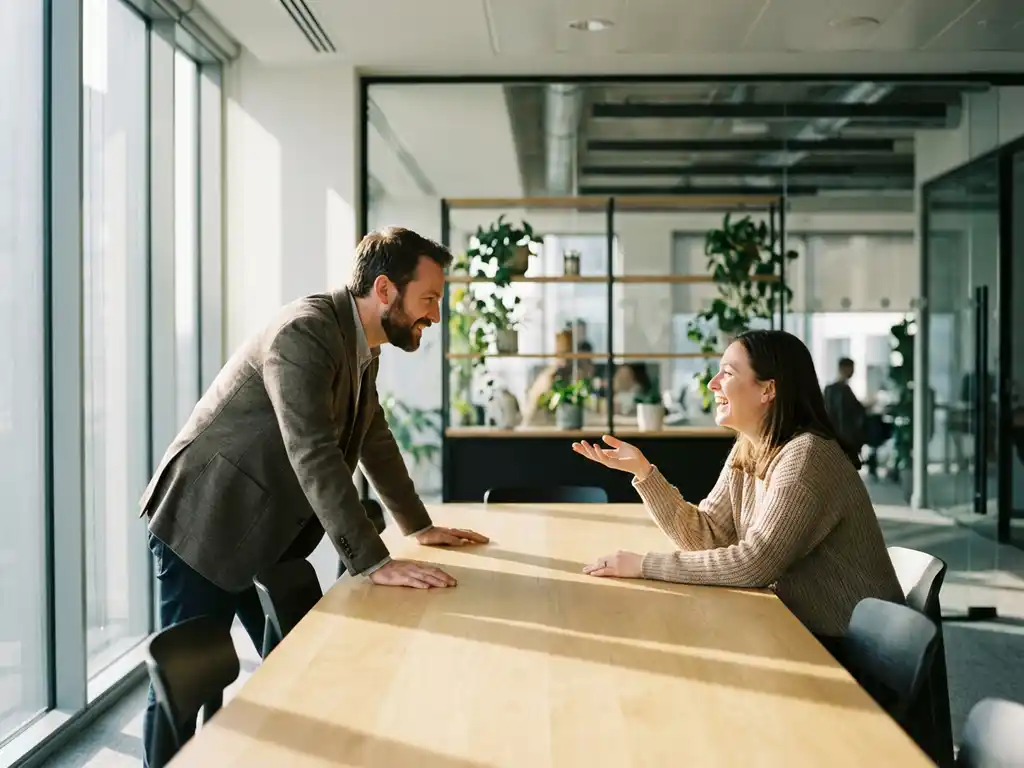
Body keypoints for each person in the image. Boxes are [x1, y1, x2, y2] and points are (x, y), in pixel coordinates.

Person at [138, 227, 489, 766]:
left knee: (298, 670)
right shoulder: (304, 332)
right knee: (182, 696)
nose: (435, 317)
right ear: (386, 289)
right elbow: (314, 451)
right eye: (430, 299)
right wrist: (374, 561)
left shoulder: (358, 343)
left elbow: (372, 435)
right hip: (206, 518)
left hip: (264, 528)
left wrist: (416, 526)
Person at [570, 330, 903, 656]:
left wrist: (644, 565)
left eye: (727, 373)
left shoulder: (806, 457)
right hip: (803, 631)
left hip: (854, 651)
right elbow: (706, 535)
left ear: (768, 389)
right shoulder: (750, 448)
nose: (713, 384)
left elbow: (755, 564)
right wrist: (644, 473)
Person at [823, 357, 867, 460]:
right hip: (845, 438)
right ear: (844, 368)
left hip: (837, 438)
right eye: (851, 368)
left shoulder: (831, 389)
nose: (853, 372)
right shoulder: (842, 390)